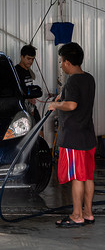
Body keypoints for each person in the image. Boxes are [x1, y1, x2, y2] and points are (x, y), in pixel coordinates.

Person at [48, 42, 96, 228]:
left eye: (61, 61)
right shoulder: (88, 78)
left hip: (74, 138)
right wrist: (63, 95)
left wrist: (56, 105)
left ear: (67, 62)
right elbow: (77, 97)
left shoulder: (73, 80)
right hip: (88, 136)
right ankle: (88, 213)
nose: (61, 65)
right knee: (88, 176)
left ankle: (77, 215)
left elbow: (72, 105)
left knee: (77, 177)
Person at [15, 44, 41, 123]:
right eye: (28, 58)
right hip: (22, 109)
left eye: (32, 59)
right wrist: (27, 98)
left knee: (39, 129)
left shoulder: (28, 71)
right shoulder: (16, 71)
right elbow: (16, 92)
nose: (30, 61)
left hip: (31, 107)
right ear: (22, 57)